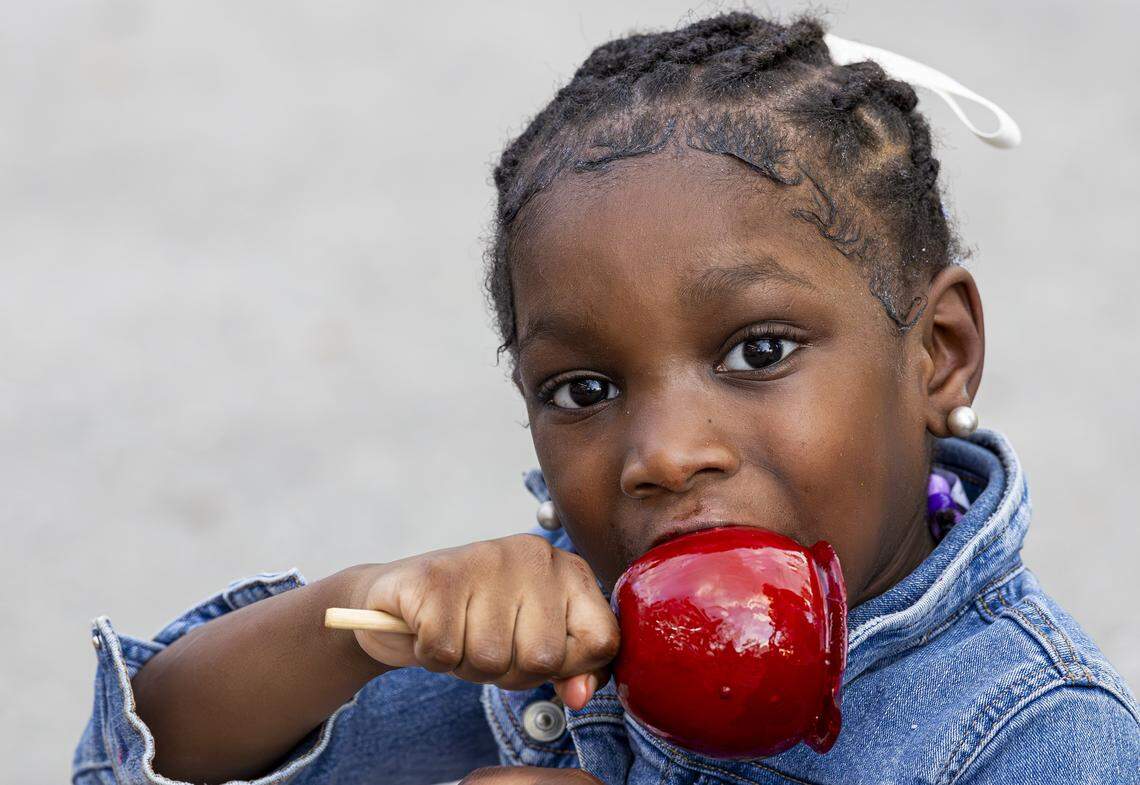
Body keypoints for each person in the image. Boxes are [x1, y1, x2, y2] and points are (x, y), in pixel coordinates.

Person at [72, 12, 1140, 785]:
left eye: (758, 349)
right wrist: (357, 620)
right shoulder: (540, 641)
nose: (665, 453)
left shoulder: (1039, 733)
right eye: (584, 387)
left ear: (938, 356)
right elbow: (153, 748)